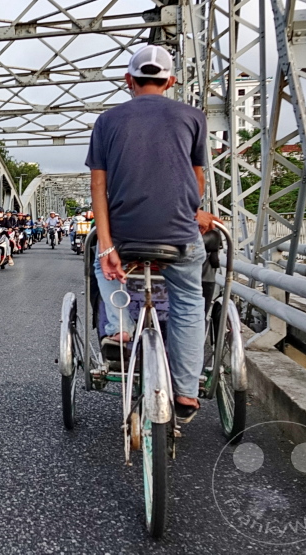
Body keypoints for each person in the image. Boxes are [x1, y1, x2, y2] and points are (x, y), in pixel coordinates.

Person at [87, 44, 220, 424]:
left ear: (128, 80)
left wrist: (108, 245)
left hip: (126, 237)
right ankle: (186, 393)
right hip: (179, 236)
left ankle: (120, 330)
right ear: (171, 81)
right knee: (189, 300)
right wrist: (194, 212)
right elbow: (195, 178)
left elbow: (99, 186)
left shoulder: (107, 121)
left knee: (102, 266)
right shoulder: (192, 116)